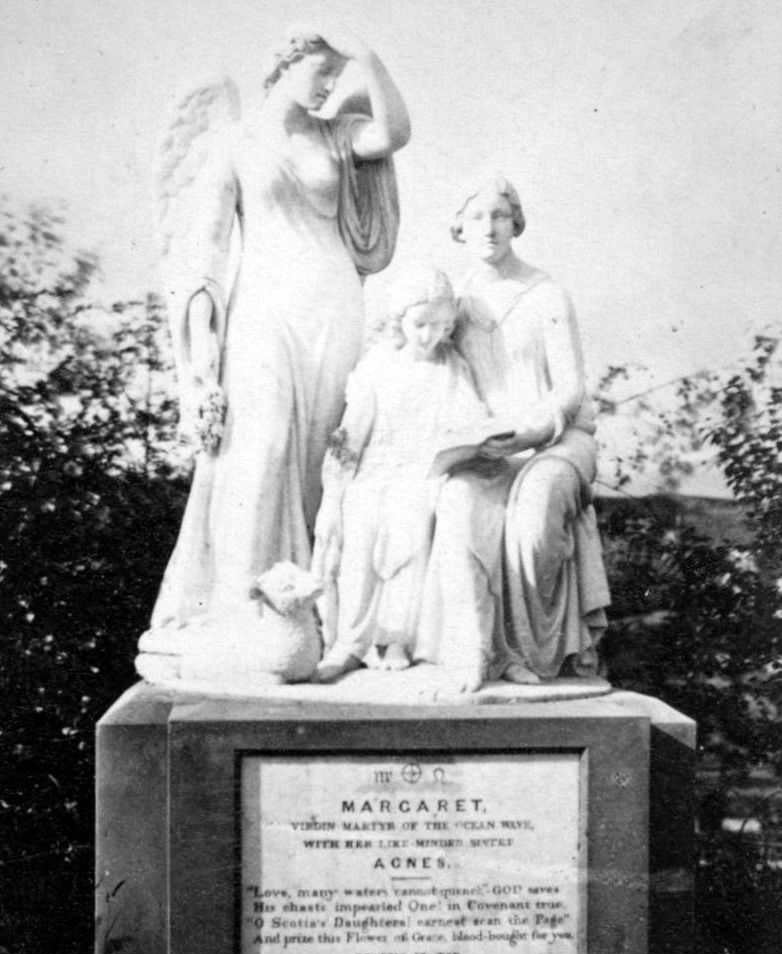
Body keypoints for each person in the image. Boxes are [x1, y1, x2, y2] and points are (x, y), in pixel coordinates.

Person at [139, 27, 409, 660]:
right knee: (259, 448)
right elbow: (203, 250)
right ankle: (240, 610)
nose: (328, 84)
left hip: (334, 306)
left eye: (337, 74)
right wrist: (201, 362)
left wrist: (366, 54)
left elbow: (393, 131)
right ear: (284, 65)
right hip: (263, 310)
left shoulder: (338, 136)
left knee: (325, 457)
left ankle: (311, 621)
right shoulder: (233, 141)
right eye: (320, 70)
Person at [417, 175, 610, 692]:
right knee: (456, 506)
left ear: (516, 223)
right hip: (489, 448)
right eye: (477, 217)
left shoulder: (546, 293)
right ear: (459, 227)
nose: (489, 227)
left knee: (535, 512)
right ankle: (480, 651)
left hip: (555, 439)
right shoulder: (451, 299)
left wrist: (533, 431)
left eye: (500, 215)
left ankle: (539, 654)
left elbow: (570, 388)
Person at [312, 268, 502, 682]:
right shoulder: (379, 365)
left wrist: (474, 439)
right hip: (372, 472)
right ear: (399, 319)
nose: (428, 336)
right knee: (359, 535)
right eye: (419, 324)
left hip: (423, 475)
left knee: (412, 527)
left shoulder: (453, 367)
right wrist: (334, 493)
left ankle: (393, 638)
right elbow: (349, 437)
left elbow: (471, 421)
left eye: (439, 325)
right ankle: (349, 641)